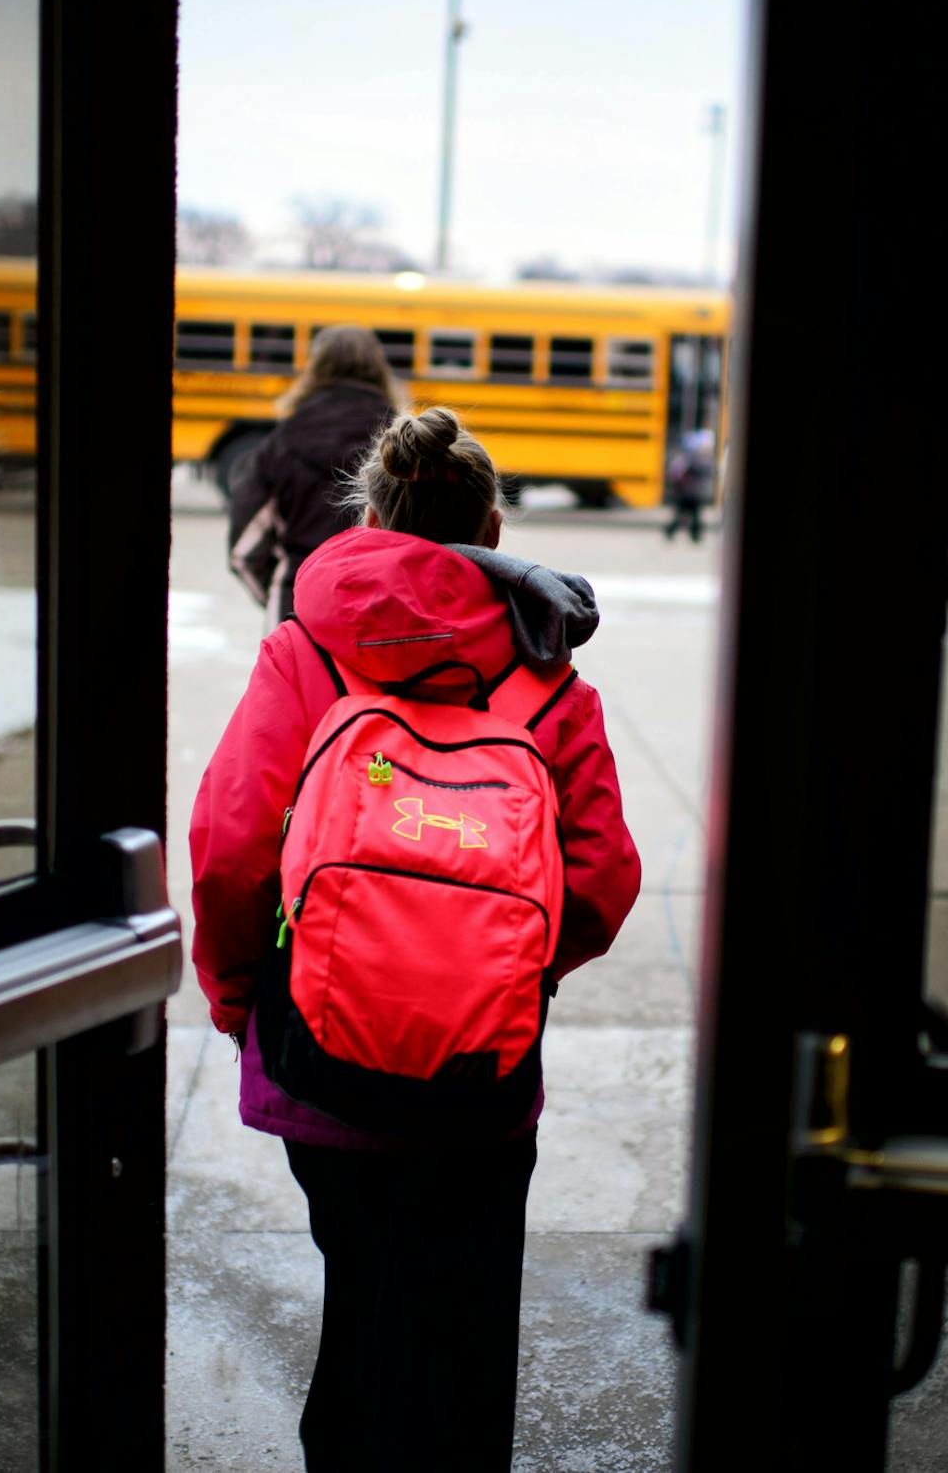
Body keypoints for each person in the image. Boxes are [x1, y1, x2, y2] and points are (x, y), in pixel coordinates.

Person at [189, 406, 641, 1471]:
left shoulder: (309, 649)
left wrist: (240, 995)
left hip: (324, 1060)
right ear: (491, 523)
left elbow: (227, 847)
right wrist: (504, 968)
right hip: (480, 1075)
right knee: (463, 1324)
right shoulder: (548, 679)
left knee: (362, 1291)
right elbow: (606, 878)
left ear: (374, 517)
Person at [228, 324, 403, 622]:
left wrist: (278, 594)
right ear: (380, 369)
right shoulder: (403, 445)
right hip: (385, 612)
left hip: (296, 609)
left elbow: (244, 550)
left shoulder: (281, 442)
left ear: (314, 369)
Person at [663, 425, 716, 542]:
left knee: (692, 517)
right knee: (684, 516)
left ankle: (692, 535)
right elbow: (675, 476)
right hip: (686, 494)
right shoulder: (686, 461)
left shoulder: (689, 460)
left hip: (691, 493)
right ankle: (674, 531)